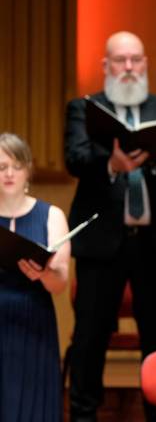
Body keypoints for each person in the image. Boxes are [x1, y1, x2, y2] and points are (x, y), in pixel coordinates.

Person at [64, 31, 156, 421]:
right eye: (120, 60)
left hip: (154, 244)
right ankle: (84, 416)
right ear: (105, 66)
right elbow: (75, 157)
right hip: (101, 244)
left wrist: (149, 161)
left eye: (135, 60)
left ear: (145, 64)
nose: (128, 68)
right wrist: (112, 165)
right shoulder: (84, 108)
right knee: (90, 338)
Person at [0, 132, 71, 421]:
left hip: (34, 318)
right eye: (1, 167)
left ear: (28, 169)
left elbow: (60, 283)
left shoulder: (52, 215)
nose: (8, 173)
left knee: (32, 405)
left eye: (16, 166)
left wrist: (45, 272)